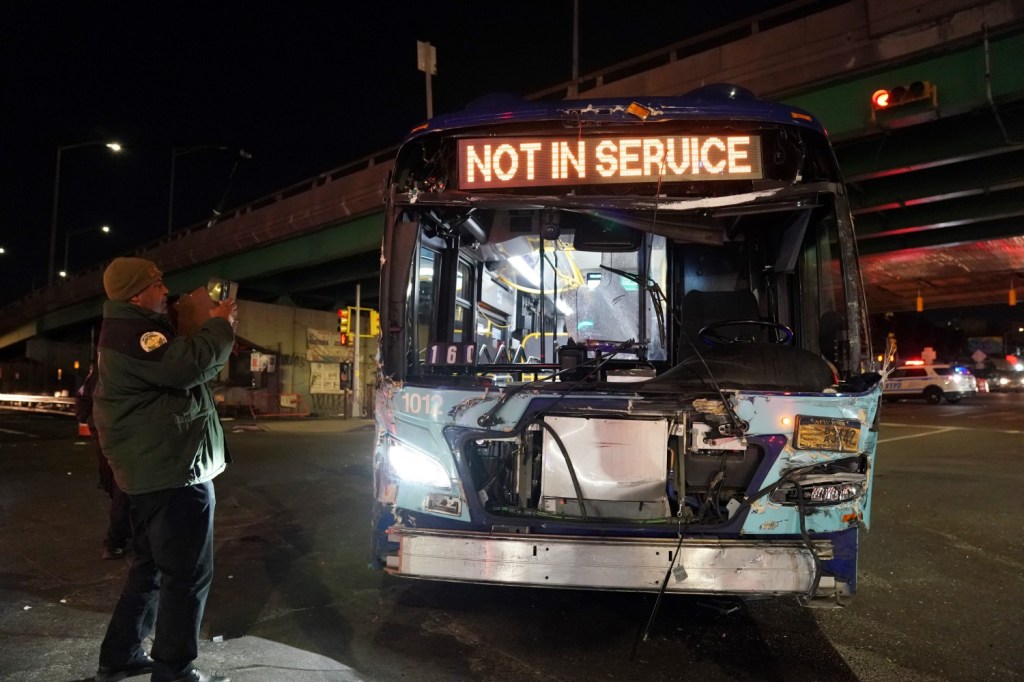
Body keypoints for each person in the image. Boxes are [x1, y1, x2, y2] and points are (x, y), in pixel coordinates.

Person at [92, 257, 236, 682]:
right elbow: (187, 366)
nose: (165, 292)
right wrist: (221, 323)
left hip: (151, 473)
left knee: (150, 569)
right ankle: (173, 670)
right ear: (137, 293)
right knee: (185, 576)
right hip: (173, 474)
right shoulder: (137, 334)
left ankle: (120, 655)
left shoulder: (124, 331)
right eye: (158, 284)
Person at [74, 361, 132, 560]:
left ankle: (119, 538)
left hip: (106, 434)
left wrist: (91, 421)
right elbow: (83, 398)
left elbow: (82, 398)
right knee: (121, 487)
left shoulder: (101, 369)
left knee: (116, 486)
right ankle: (115, 541)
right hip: (118, 436)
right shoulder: (125, 367)